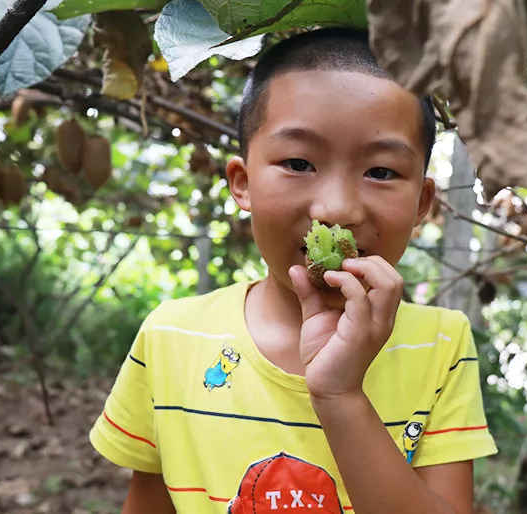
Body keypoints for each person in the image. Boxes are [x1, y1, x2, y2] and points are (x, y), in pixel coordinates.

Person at [90, 27, 497, 514]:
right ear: (242, 184)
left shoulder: (442, 344)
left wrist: (341, 396)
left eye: (381, 171)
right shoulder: (170, 336)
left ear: (422, 204)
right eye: (299, 162)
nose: (336, 208)